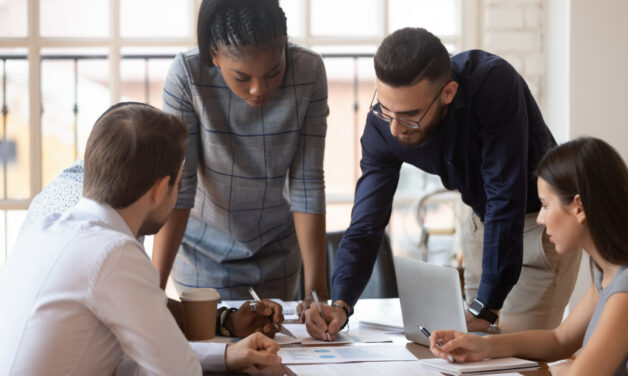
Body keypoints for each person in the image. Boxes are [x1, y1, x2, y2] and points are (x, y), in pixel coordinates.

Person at [305, 27, 581, 339]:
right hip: (482, 225)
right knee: (472, 354)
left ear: (447, 93)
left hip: (541, 228)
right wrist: (341, 303)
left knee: (517, 355)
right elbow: (366, 224)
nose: (395, 129)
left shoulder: (492, 84)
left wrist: (486, 307)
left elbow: (505, 196)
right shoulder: (382, 126)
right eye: (386, 108)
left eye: (410, 116)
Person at [0, 103, 283, 375]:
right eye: (179, 183)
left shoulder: (48, 230)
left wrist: (224, 357)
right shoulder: (113, 252)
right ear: (160, 189)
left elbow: (122, 361)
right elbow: (178, 371)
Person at [158, 0, 329, 312]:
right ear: (214, 54)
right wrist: (153, 291)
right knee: (213, 349)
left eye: (273, 72)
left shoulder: (309, 71)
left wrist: (316, 296)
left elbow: (308, 183)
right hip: (202, 253)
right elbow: (180, 188)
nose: (258, 90)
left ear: (285, 47)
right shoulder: (187, 74)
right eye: (241, 77)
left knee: (275, 353)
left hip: (277, 250)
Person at [430, 137, 628, 376]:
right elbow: (559, 340)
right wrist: (483, 346)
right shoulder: (606, 272)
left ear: (579, 207)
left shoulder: (623, 288)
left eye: (545, 205)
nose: (541, 219)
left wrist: (566, 369)